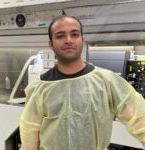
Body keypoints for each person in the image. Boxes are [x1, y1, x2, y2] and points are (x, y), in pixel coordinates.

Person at [19, 15, 145, 150]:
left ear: (82, 39)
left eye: (74, 34)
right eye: (60, 36)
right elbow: (29, 133)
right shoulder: (40, 88)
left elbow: (140, 118)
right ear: (51, 44)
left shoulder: (107, 81)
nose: (68, 40)